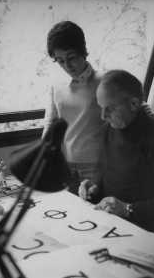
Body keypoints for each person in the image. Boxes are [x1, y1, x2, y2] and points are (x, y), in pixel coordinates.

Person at [78, 70, 154, 235]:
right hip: (110, 221)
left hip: (146, 230)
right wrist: (94, 186)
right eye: (101, 108)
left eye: (109, 109)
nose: (103, 116)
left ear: (134, 104)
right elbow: (104, 171)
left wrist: (128, 209)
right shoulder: (108, 130)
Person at [43, 21, 104, 193]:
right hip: (65, 166)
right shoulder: (57, 86)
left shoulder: (104, 81)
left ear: (82, 51)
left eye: (71, 58)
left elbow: (137, 107)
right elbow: (50, 124)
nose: (67, 66)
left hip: (97, 166)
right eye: (60, 61)